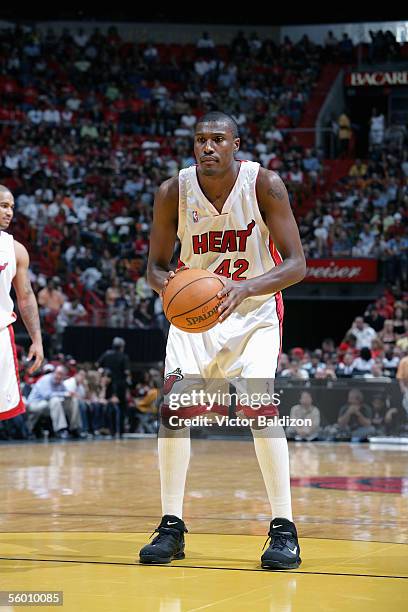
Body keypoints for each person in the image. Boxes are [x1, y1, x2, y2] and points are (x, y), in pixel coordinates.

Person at [139, 111, 306, 570]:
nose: (207, 147)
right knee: (174, 412)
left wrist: (246, 288)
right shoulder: (173, 191)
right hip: (197, 320)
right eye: (199, 140)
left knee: (258, 407)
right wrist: (173, 285)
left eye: (217, 139)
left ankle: (284, 529)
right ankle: (171, 526)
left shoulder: (265, 184)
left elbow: (296, 264)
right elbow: (154, 267)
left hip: (253, 312)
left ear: (236, 144)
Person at [0, 185, 43, 422]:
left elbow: (25, 296)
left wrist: (36, 340)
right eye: (3, 206)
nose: (9, 213)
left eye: (11, 208)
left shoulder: (16, 250)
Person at [96, 337, 130, 436]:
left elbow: (97, 364)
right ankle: (120, 431)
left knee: (107, 406)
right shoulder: (124, 356)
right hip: (120, 386)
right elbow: (127, 372)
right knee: (121, 408)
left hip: (108, 384)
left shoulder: (106, 354)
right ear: (122, 347)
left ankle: (108, 429)